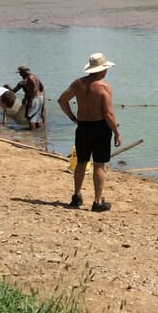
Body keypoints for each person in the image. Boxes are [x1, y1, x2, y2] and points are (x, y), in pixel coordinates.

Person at [57, 52, 122, 213]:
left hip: (83, 126)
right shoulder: (103, 87)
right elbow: (108, 114)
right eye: (105, 69)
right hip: (100, 127)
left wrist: (73, 117)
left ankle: (77, 195)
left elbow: (62, 100)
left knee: (81, 162)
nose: (106, 71)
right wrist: (116, 132)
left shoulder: (78, 83)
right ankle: (97, 201)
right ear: (101, 71)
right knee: (99, 164)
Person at [12, 65, 46, 130]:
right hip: (40, 98)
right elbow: (42, 88)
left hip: (34, 99)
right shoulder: (35, 76)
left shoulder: (29, 79)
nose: (20, 74)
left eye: (20, 72)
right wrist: (42, 99)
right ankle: (39, 133)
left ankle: (32, 135)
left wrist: (30, 100)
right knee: (37, 118)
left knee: (31, 119)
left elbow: (35, 90)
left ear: (25, 71)